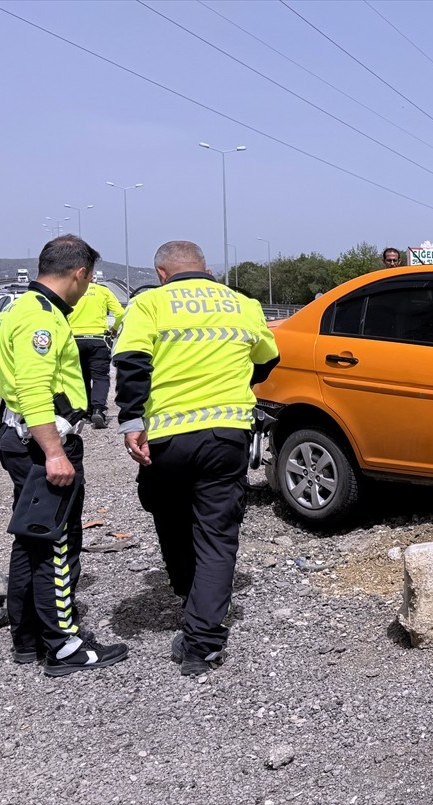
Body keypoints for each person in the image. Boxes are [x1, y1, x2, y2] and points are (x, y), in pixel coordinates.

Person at [113, 241, 279, 676]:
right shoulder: (243, 303)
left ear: (163, 273)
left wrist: (131, 422)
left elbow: (131, 363)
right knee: (217, 532)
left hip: (166, 436)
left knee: (169, 515)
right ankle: (202, 642)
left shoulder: (149, 303)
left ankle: (190, 598)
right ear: (205, 268)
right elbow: (267, 361)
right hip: (226, 434)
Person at [0, 235, 129, 677]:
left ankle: (27, 638)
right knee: (58, 543)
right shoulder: (41, 318)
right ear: (80, 274)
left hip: (20, 436)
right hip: (41, 441)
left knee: (30, 539)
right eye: (88, 281)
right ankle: (64, 647)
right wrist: (54, 452)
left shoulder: (17, 307)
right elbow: (34, 387)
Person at [68, 278, 126, 428]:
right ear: (93, 278)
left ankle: (84, 411)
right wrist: (114, 329)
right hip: (98, 339)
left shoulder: (72, 290)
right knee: (100, 377)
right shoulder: (103, 291)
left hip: (75, 340)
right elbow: (120, 313)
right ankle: (98, 410)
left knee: (81, 377)